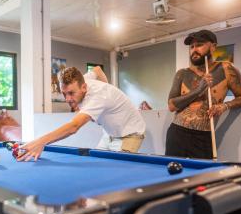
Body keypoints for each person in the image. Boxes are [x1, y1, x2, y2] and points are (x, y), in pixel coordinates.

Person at [18, 67, 146, 161]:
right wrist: (109, 92)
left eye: (71, 93)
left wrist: (41, 142)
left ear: (84, 88)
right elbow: (97, 69)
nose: (67, 99)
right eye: (64, 93)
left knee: (118, 171)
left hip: (130, 134)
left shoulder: (98, 96)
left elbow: (74, 127)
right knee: (96, 164)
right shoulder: (82, 80)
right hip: (109, 133)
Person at [166, 29, 241, 159]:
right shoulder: (182, 73)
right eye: (192, 47)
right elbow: (171, 106)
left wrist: (224, 106)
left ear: (213, 46)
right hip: (177, 132)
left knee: (202, 177)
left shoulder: (226, 69)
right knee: (174, 175)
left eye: (199, 45)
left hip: (203, 135)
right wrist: (198, 90)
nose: (194, 50)